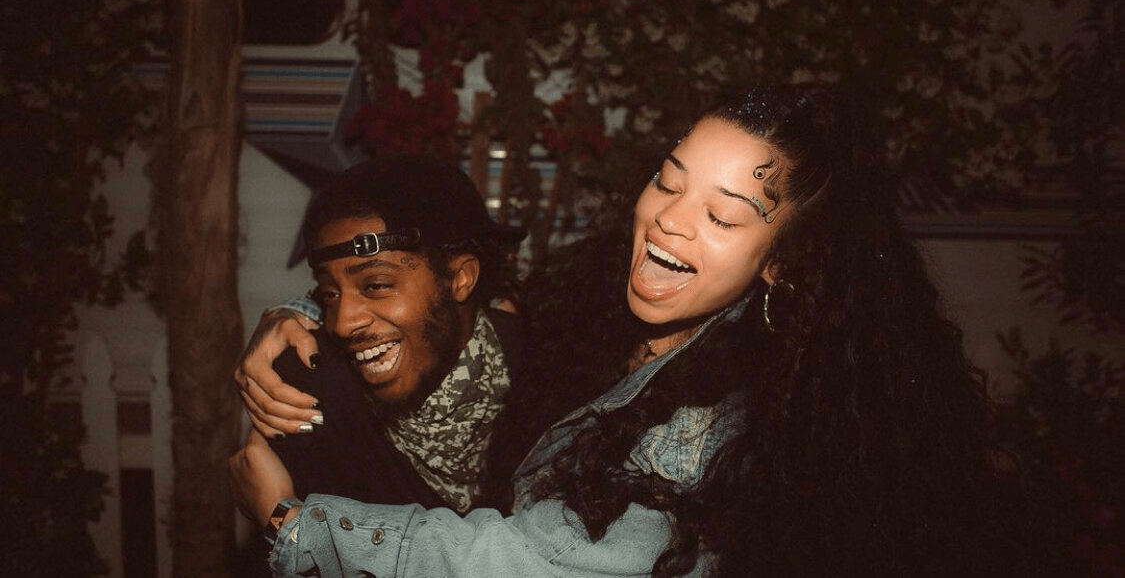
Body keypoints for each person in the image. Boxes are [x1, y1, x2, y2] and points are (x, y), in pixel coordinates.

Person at [231, 85, 1045, 577]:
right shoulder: (603, 319)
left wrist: (292, 525)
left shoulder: (709, 428)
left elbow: (529, 565)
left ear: (783, 262)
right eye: (668, 180)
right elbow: (448, 304)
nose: (668, 221)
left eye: (723, 215)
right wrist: (301, 315)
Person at [234, 153, 525, 515]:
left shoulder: (545, 374)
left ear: (459, 278)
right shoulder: (310, 391)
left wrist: (281, 522)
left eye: (376, 285)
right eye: (330, 294)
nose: (342, 323)